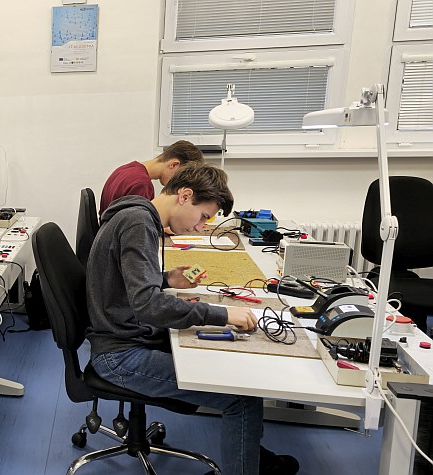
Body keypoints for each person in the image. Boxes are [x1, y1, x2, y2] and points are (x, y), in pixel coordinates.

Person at [86, 164, 299, 475]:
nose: (200, 227)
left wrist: (166, 279)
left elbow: (128, 284)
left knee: (238, 376)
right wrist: (223, 315)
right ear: (185, 196)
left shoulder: (137, 215)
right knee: (241, 399)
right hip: (119, 356)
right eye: (202, 217)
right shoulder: (137, 222)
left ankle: (248, 457)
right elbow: (147, 305)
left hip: (125, 336)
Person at [99, 140, 204, 218]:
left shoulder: (125, 169)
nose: (178, 183)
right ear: (173, 165)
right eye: (180, 176)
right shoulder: (141, 185)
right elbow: (138, 227)